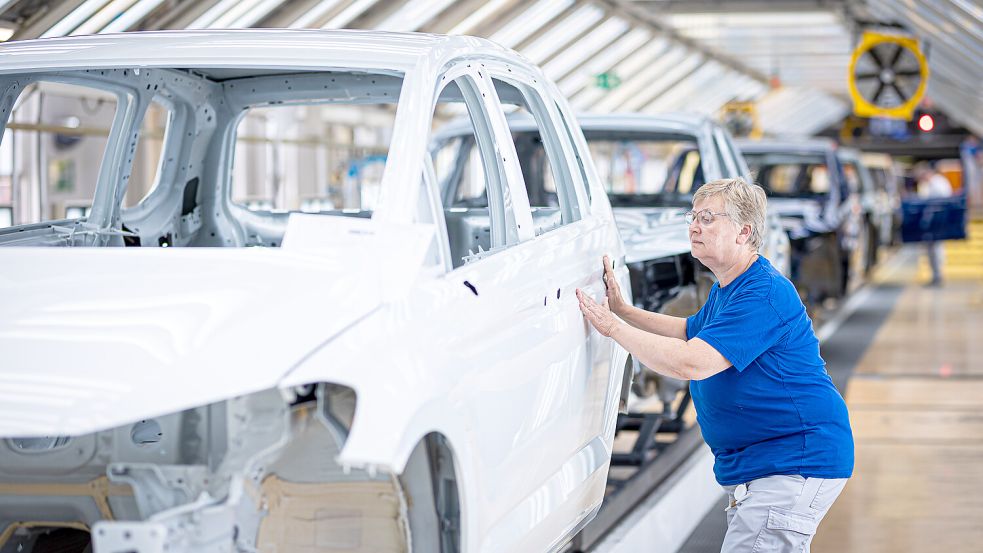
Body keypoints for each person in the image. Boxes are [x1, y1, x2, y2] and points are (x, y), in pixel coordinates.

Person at [576, 178, 854, 553]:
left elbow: (692, 362)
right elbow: (687, 332)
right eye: (693, 216)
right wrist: (624, 312)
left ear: (744, 232)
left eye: (707, 218)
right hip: (769, 464)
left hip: (793, 462)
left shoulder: (763, 292)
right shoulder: (730, 286)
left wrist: (612, 330)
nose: (694, 226)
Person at [914, 162, 953, 286]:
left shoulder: (939, 183)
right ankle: (935, 275)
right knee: (931, 249)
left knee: (936, 249)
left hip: (939, 222)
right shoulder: (929, 185)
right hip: (932, 223)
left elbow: (942, 203)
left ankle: (938, 276)